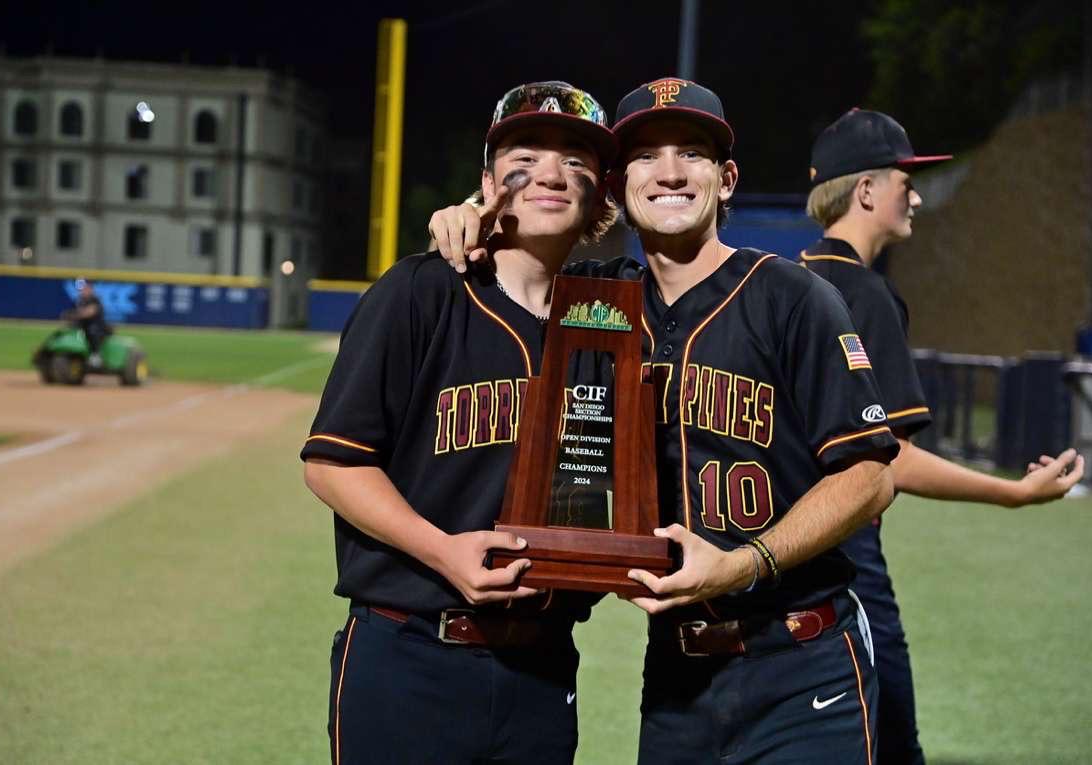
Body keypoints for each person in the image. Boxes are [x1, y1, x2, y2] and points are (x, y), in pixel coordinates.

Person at [431, 78, 901, 764]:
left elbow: (870, 476)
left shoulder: (795, 297)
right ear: (619, 187)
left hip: (801, 661)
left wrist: (744, 562)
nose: (673, 172)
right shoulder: (596, 302)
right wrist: (473, 217)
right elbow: (519, 264)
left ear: (727, 177)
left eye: (694, 153)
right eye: (648, 156)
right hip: (679, 677)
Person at [301, 81, 619, 765]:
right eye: (526, 152)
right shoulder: (421, 291)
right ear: (486, 181)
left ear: (601, 191)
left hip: (542, 668)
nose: (552, 172)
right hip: (410, 651)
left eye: (577, 158)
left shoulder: (611, 316)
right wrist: (442, 550)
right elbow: (332, 463)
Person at [801, 107, 1086, 764]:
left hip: (788, 554)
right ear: (865, 191)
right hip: (849, 557)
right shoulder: (865, 294)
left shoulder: (787, 278)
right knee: (895, 741)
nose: (918, 194)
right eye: (905, 180)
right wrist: (1011, 493)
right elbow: (889, 457)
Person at [69, 279, 109, 365]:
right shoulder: (80, 300)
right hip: (83, 325)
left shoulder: (95, 299)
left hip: (97, 327)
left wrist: (76, 314)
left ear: (90, 288)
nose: (82, 290)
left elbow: (90, 312)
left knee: (92, 331)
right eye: (81, 289)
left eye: (84, 288)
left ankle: (96, 355)